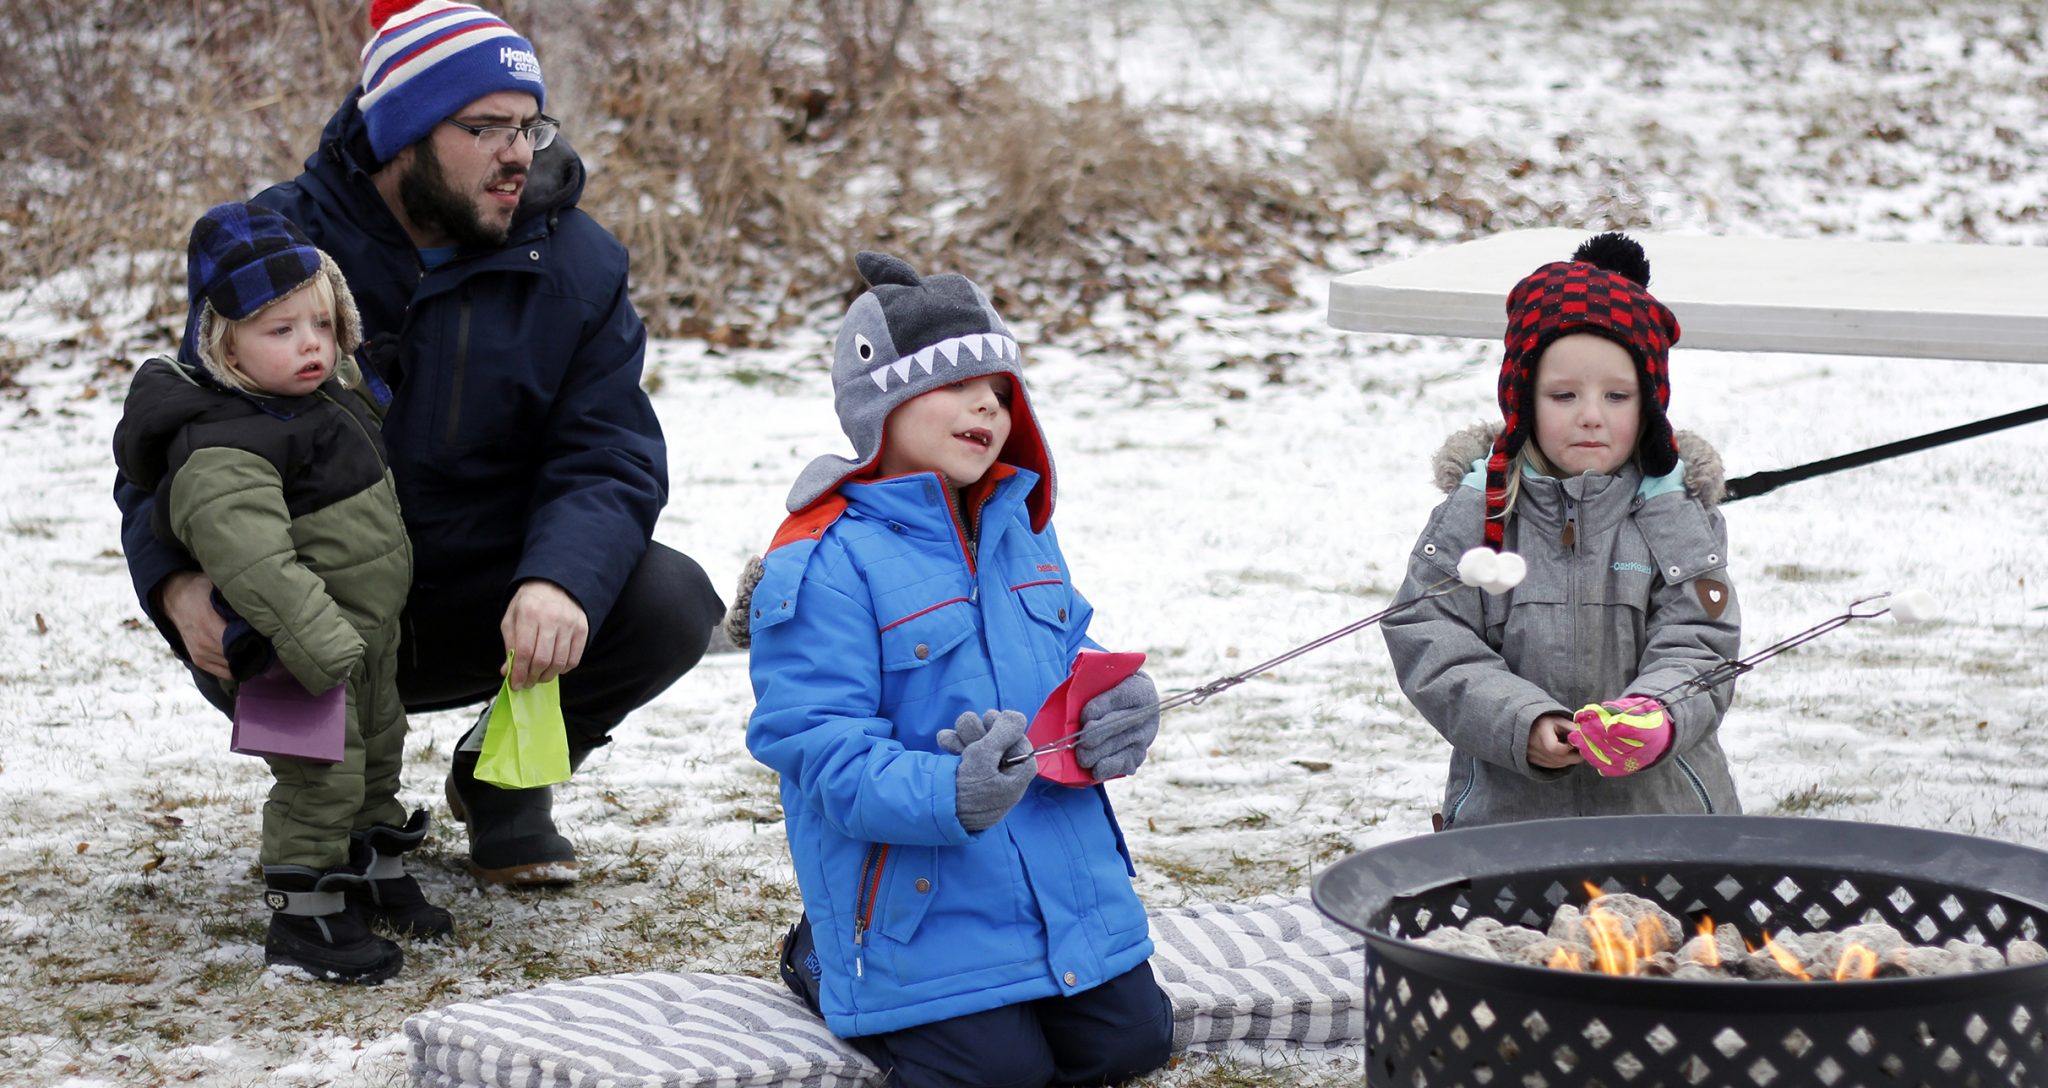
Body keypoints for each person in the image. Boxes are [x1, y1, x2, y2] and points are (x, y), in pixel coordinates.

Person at [113, 0, 725, 886]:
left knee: (669, 600)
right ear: (403, 133)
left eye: (529, 127)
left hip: (489, 604)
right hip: (317, 602)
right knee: (316, 780)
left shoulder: (580, 265)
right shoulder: (277, 246)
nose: (518, 153)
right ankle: (329, 829)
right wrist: (173, 584)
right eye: (485, 127)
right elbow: (175, 439)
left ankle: (503, 781)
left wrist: (560, 580)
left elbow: (608, 453)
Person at [728, 252, 1174, 1087]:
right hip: (918, 904)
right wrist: (947, 792)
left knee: (1132, 1045)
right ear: (881, 404)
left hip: (1059, 883)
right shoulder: (826, 561)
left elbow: (1068, 657)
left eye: (1000, 390)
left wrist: (1115, 705)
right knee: (999, 1074)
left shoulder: (1019, 527)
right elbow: (816, 748)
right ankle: (823, 955)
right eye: (958, 383)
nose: (988, 406)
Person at [112, 202, 448, 983]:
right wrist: (316, 644)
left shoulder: (321, 399)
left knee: (376, 753)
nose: (311, 345)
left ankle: (367, 862)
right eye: (281, 330)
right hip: (287, 647)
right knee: (316, 775)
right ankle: (306, 914)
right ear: (224, 344)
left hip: (358, 633)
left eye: (323, 325)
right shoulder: (223, 443)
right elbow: (256, 561)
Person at [1381, 232, 1743, 830]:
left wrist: (1656, 714)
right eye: (1564, 394)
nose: (1591, 415)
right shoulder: (1479, 511)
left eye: (1617, 395)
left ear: (1649, 402)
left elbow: (1701, 641)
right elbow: (1428, 634)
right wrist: (1520, 721)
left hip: (1666, 825)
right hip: (1510, 828)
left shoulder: (1674, 515)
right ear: (1523, 398)